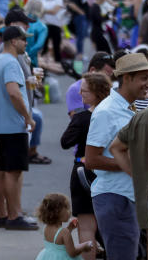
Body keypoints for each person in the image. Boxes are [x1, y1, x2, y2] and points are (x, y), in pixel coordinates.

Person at [84, 52, 148, 260]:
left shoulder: (135, 107)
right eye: (144, 78)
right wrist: (134, 165)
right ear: (127, 78)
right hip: (116, 198)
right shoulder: (107, 111)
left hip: (127, 196)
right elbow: (91, 159)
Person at [109, 64, 148, 260]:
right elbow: (104, 152)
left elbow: (116, 147)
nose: (147, 84)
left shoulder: (143, 115)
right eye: (143, 78)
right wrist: (136, 174)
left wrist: (138, 175)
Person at [0, 25, 38, 230]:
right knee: (13, 171)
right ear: (13, 41)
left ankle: (2, 214)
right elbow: (13, 93)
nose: (26, 43)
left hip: (0, 125)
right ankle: (14, 216)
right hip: (13, 125)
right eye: (23, 39)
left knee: (1, 169)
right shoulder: (11, 62)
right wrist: (27, 117)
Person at [60, 72, 111, 260]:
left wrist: (76, 126)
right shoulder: (115, 113)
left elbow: (65, 142)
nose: (81, 94)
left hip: (84, 171)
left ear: (97, 92)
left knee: (86, 226)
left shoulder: (82, 118)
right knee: (109, 223)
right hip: (110, 169)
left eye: (85, 91)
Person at [34, 193, 98, 260]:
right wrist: (84, 246)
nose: (70, 212)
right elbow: (72, 252)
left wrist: (70, 228)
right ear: (57, 212)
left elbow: (59, 240)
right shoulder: (64, 232)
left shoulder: (46, 228)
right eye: (67, 208)